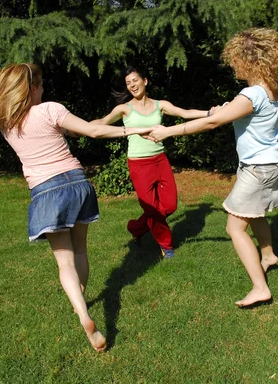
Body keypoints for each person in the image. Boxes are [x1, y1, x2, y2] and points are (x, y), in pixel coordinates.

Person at [0, 63, 153, 352]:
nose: (44, 90)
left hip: (46, 191)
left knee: (64, 260)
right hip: (78, 184)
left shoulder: (4, 123)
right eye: (41, 85)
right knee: (80, 250)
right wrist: (135, 130)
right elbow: (93, 131)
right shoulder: (50, 110)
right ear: (31, 88)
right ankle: (79, 299)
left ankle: (83, 313)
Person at [148, 28, 278, 307]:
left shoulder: (252, 93)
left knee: (235, 227)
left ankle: (260, 288)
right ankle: (268, 255)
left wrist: (168, 132)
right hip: (272, 164)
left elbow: (213, 122)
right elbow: (240, 115)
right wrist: (225, 108)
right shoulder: (271, 89)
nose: (232, 64)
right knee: (256, 212)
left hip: (257, 168)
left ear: (249, 59)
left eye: (236, 59)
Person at [90, 66, 213, 259]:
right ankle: (167, 246)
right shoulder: (124, 109)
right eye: (128, 83)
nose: (132, 85)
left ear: (145, 81)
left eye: (135, 81)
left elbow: (184, 113)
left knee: (170, 206)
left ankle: (136, 228)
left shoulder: (160, 105)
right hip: (138, 164)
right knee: (152, 209)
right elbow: (103, 122)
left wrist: (209, 114)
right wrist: (79, 127)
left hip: (160, 160)